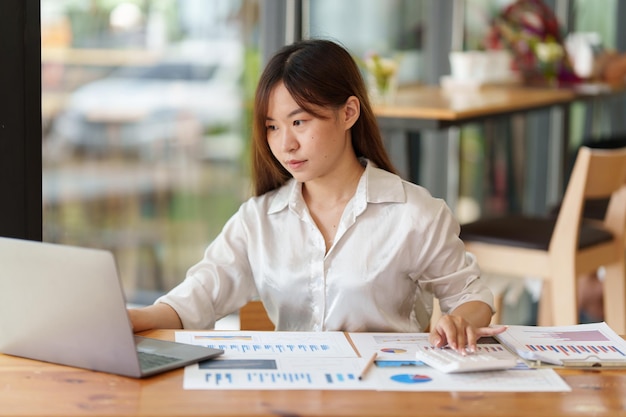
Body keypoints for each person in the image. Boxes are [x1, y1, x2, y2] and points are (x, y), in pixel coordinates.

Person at [128, 38, 505, 352]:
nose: (285, 143)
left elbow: (472, 297)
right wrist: (134, 318)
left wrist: (459, 321)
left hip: (388, 394)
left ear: (348, 113)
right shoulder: (258, 219)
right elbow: (196, 299)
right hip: (290, 392)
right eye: (272, 127)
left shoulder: (414, 213)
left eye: (299, 122)